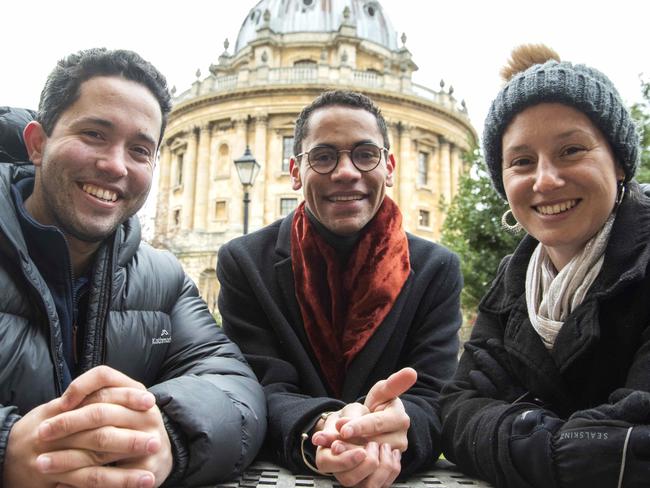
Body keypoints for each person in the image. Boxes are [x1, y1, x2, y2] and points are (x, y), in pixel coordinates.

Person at [0, 48, 266, 488]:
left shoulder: (164, 278)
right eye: (94, 134)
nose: (115, 165)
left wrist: (167, 435)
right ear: (37, 144)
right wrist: (8, 446)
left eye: (140, 149)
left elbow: (234, 386)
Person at [217, 90, 462, 487]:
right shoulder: (245, 262)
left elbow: (436, 397)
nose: (346, 172)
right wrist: (325, 428)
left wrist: (394, 432)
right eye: (324, 156)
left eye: (365, 154)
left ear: (390, 167)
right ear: (295, 172)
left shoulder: (437, 268)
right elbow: (257, 387)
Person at [440, 44, 650, 488]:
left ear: (619, 164)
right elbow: (458, 411)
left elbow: (637, 443)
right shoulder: (513, 280)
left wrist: (510, 434)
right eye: (521, 161)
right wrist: (570, 447)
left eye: (571, 150)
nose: (546, 180)